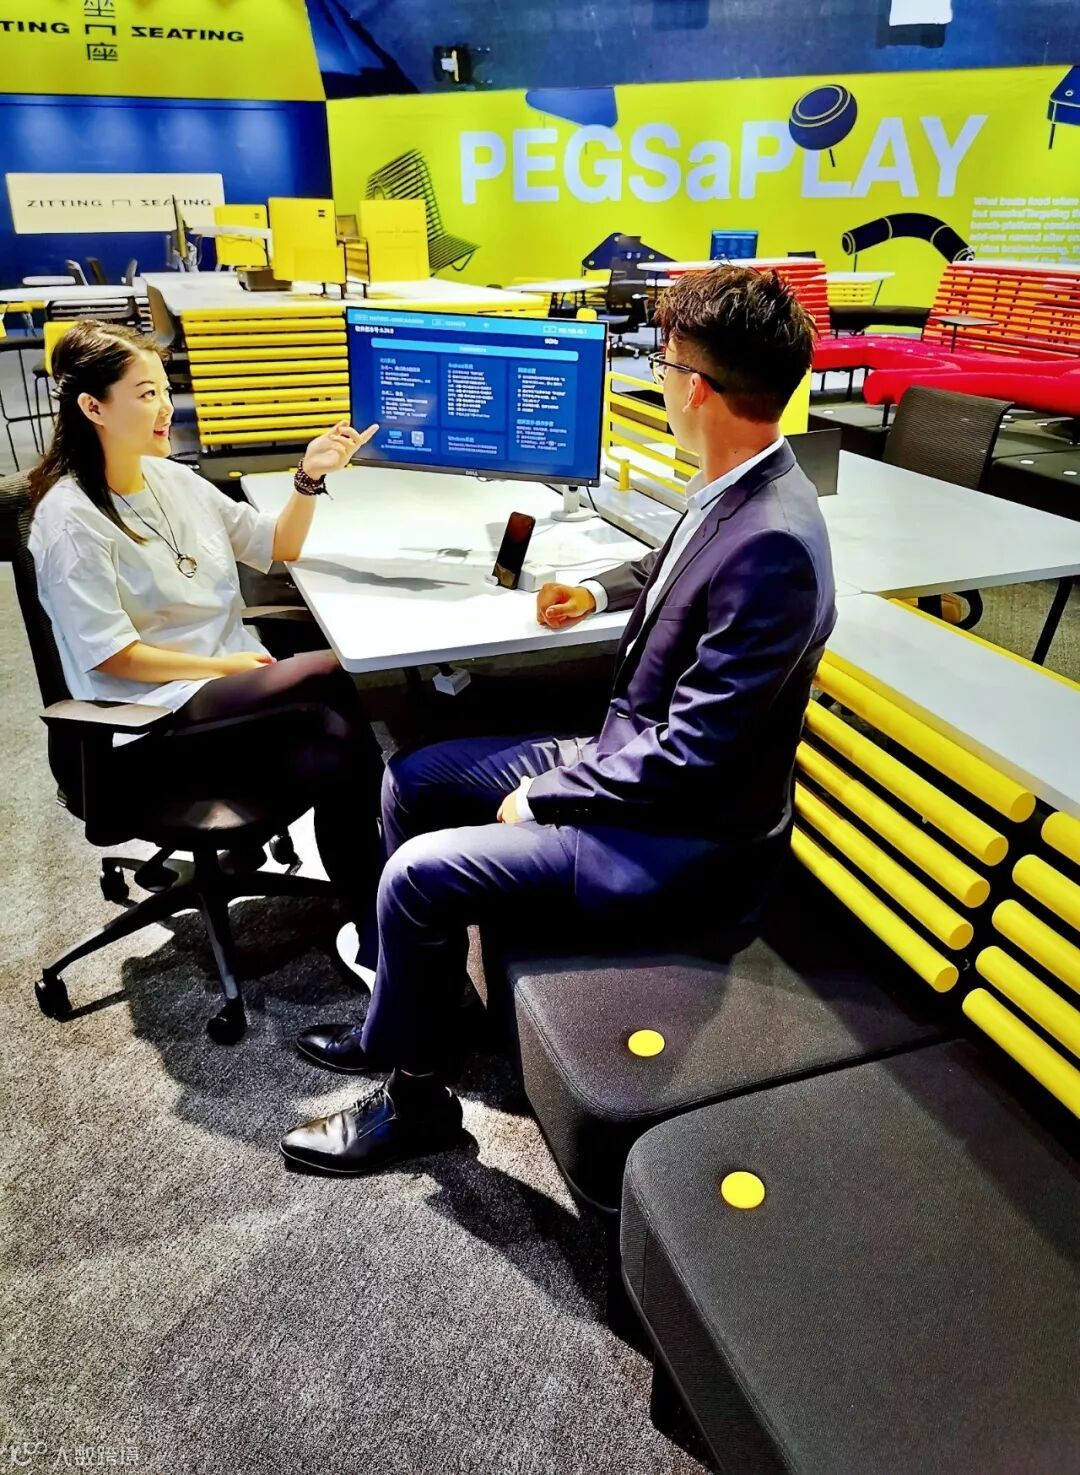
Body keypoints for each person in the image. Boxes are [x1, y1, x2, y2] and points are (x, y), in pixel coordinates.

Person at [280, 265, 837, 1175]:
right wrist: (598, 590)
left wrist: (547, 794)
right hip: (632, 760)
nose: (659, 379)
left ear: (697, 388)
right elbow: (677, 563)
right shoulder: (742, 483)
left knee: (418, 874)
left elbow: (696, 754)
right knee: (413, 779)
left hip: (681, 840)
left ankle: (416, 1102)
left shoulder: (774, 540)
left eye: (665, 364)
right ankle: (417, 1013)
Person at [27, 318, 385, 944]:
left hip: (223, 697)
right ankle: (381, 914)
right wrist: (226, 668)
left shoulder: (171, 477)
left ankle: (377, 912)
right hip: (148, 717)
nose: (167, 408)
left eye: (166, 390)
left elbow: (277, 546)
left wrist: (310, 476)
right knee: (335, 677)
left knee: (342, 748)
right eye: (146, 394)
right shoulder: (70, 521)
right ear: (93, 408)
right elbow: (112, 656)